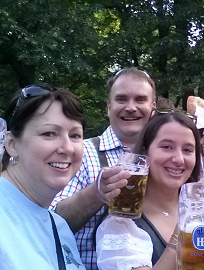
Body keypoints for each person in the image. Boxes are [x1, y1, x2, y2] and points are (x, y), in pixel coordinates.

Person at [95, 110, 204, 270]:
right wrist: (185, 227)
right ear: (145, 152)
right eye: (166, 147)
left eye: (188, 150)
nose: (178, 159)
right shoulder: (121, 224)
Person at [51, 67, 157, 269]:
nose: (131, 107)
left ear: (153, 107)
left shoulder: (166, 158)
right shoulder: (80, 152)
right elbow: (52, 223)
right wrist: (96, 193)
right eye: (122, 99)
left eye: (140, 99)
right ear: (109, 106)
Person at [0, 84, 86, 269]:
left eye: (75, 135)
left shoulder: (60, 228)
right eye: (49, 133)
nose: (67, 148)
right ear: (11, 144)